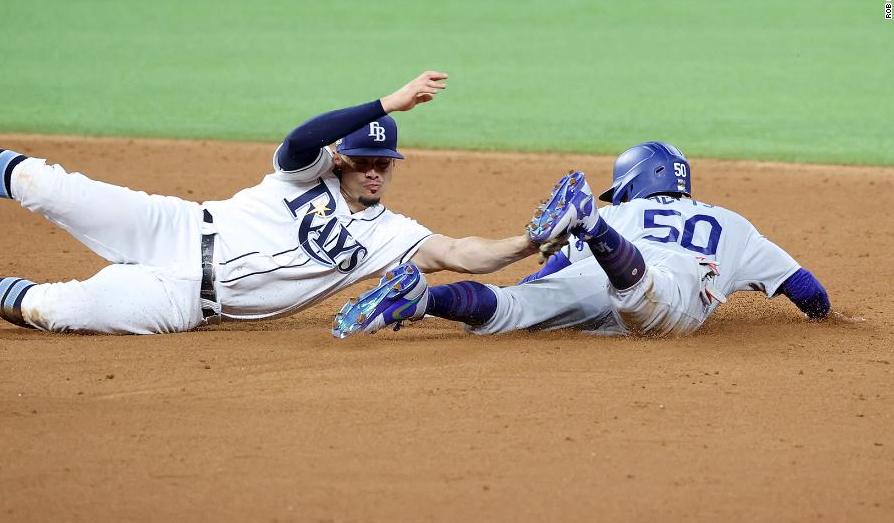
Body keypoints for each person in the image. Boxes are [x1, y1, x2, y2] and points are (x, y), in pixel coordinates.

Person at [0, 71, 552, 335]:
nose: (371, 170)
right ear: (344, 155)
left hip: (182, 302)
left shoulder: (393, 233)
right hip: (172, 221)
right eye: (362, 156)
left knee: (55, 310)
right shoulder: (307, 169)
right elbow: (303, 135)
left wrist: (526, 243)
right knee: (43, 183)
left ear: (392, 169)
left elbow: (461, 254)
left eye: (382, 162)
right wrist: (387, 101)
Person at [334, 141, 853, 338]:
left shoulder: (625, 210)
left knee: (513, 308)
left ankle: (423, 299)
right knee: (645, 304)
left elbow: (546, 276)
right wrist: (826, 320)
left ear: (629, 189)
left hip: (594, 268)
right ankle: (590, 226)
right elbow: (805, 286)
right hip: (661, 282)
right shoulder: (733, 224)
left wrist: (531, 293)